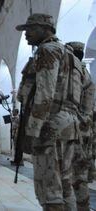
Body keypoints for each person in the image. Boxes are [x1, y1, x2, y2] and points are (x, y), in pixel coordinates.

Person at [16, 14, 80, 210]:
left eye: (31, 29)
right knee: (65, 183)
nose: (26, 34)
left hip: (49, 125)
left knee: (49, 187)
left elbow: (45, 93)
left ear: (46, 28)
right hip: (68, 124)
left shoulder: (47, 50)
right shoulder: (69, 54)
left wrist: (32, 130)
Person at [66, 41, 95, 210]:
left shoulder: (75, 75)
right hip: (85, 132)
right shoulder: (87, 75)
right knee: (81, 177)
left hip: (74, 131)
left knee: (69, 176)